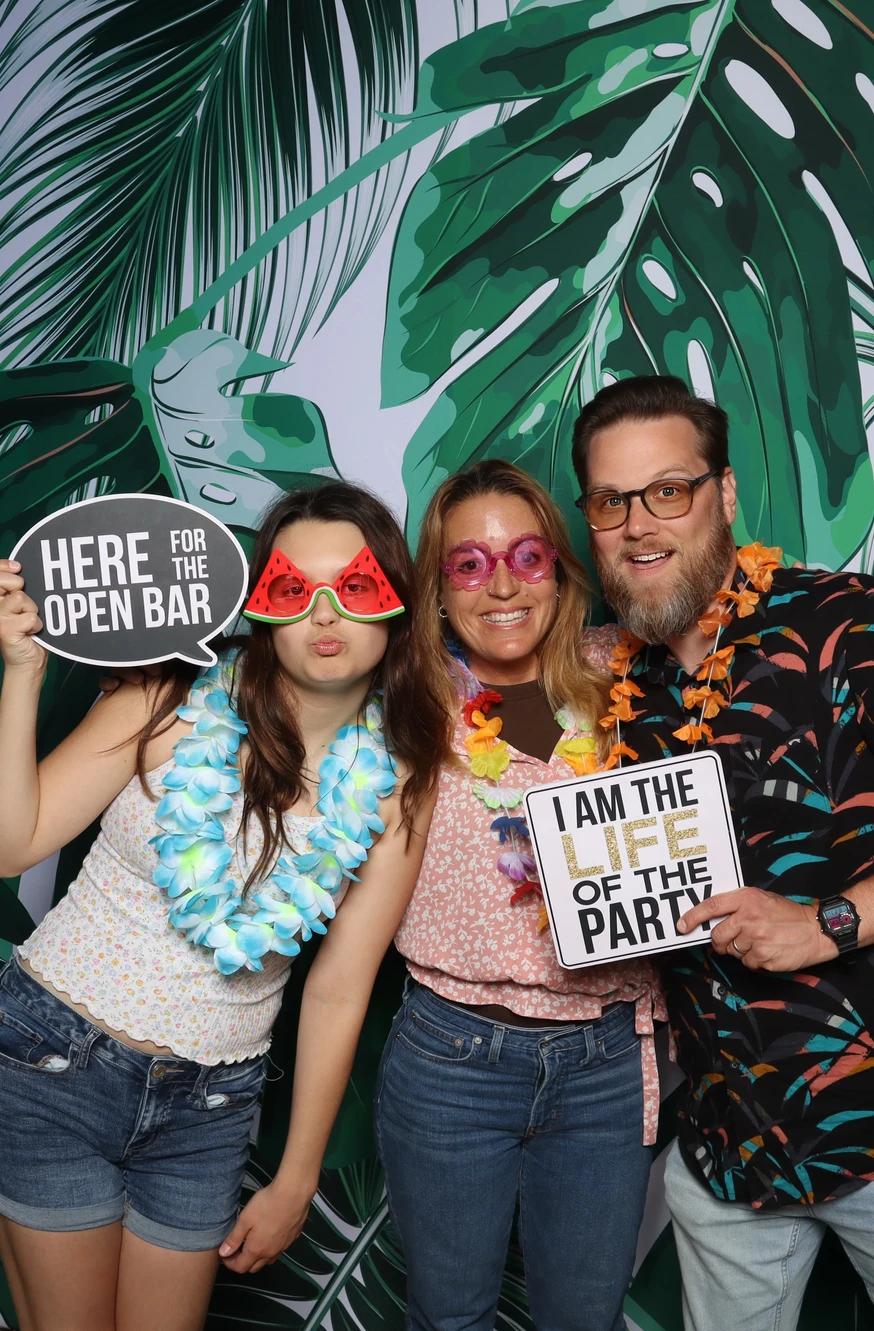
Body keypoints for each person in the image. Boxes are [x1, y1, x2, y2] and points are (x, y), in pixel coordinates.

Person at [0, 482, 445, 1331]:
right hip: (53, 1061)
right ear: (260, 607)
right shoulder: (165, 701)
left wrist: (297, 1177)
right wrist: (25, 675)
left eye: (354, 588)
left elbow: (340, 988)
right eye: (291, 587)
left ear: (394, 606)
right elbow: (13, 843)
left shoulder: (395, 787)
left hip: (208, 1106)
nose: (324, 614)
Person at [571, 373, 874, 1330]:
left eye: (670, 489)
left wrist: (826, 924)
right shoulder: (607, 674)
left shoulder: (848, 621)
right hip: (729, 1149)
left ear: (727, 495)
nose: (639, 524)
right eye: (612, 500)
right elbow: (457, 687)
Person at [375, 460, 666, 1331]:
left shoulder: (630, 672)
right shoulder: (404, 704)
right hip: (452, 1057)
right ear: (438, 588)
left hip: (605, 1064)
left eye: (527, 556)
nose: (500, 583)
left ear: (559, 569)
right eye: (468, 563)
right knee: (450, 1318)